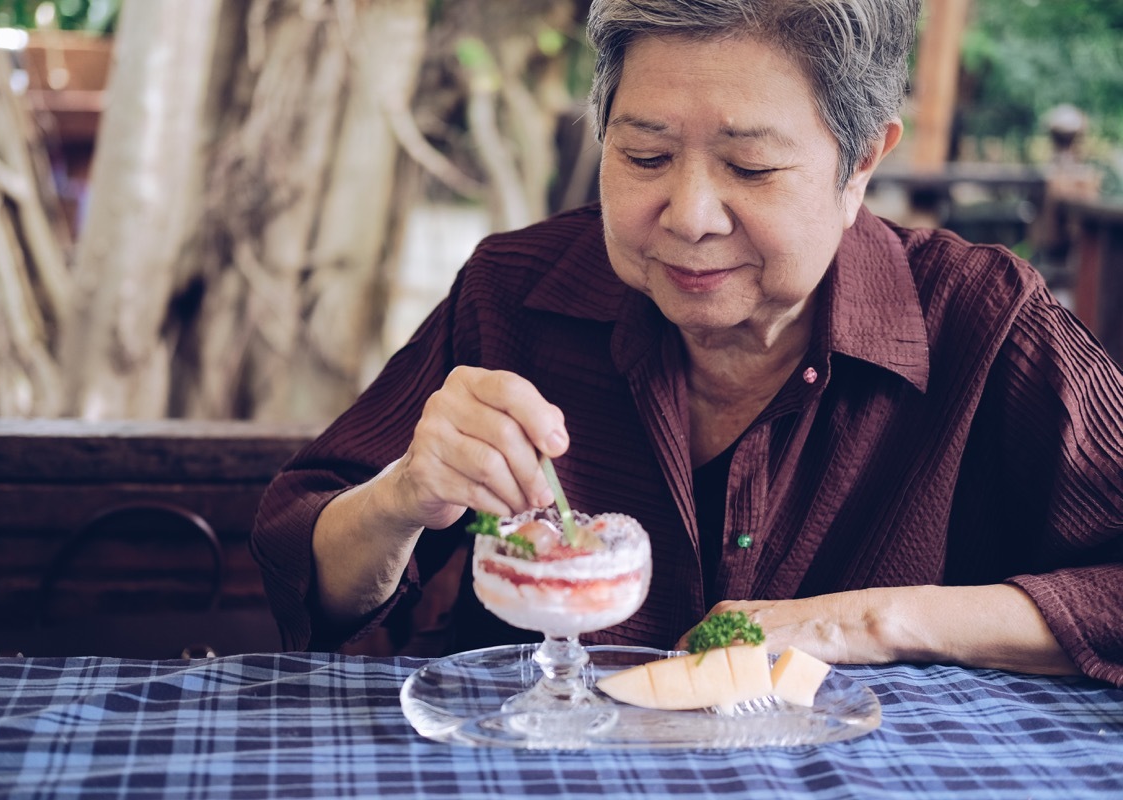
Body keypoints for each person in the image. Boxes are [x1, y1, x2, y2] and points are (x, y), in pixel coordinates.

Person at [251, 0, 1123, 687]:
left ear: (861, 165)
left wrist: (875, 623)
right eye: (643, 156)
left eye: (749, 169)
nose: (690, 217)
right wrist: (403, 494)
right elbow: (310, 577)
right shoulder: (513, 295)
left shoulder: (983, 320)